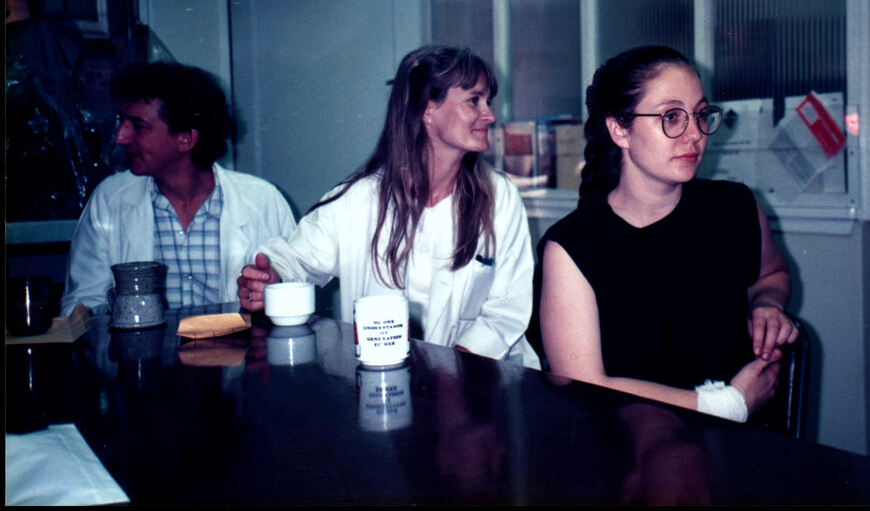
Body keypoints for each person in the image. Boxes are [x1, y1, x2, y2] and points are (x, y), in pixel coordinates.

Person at [536, 45, 799, 422]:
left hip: (737, 448)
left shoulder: (735, 207)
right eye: (671, 117)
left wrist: (767, 305)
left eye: (700, 115)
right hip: (629, 457)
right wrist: (727, 405)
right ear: (619, 130)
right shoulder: (572, 247)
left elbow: (772, 275)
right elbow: (581, 382)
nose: (694, 134)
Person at [238, 45, 540, 369]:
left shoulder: (500, 197)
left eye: (487, 101)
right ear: (427, 108)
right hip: (388, 381)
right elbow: (293, 260)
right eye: (473, 100)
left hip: (484, 379)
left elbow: (508, 309)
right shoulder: (360, 199)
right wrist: (270, 278)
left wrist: (452, 372)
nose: (490, 115)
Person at [60, 62, 296, 316]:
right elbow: (81, 306)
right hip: (141, 355)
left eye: (138, 126)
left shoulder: (263, 200)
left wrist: (270, 290)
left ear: (186, 138)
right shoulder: (109, 200)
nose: (120, 137)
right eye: (122, 121)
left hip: (238, 355)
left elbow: (295, 296)